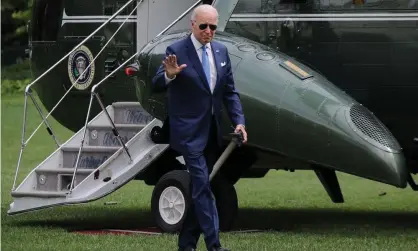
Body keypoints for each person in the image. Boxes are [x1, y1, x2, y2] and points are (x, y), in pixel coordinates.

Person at [152, 4, 247, 251]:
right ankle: (215, 246)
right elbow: (155, 82)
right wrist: (169, 75)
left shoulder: (221, 51)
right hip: (188, 134)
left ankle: (186, 245)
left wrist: (240, 121)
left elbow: (229, 93)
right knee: (203, 188)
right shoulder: (176, 51)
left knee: (198, 189)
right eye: (203, 26)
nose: (208, 31)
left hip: (211, 134)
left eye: (213, 27)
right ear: (192, 25)